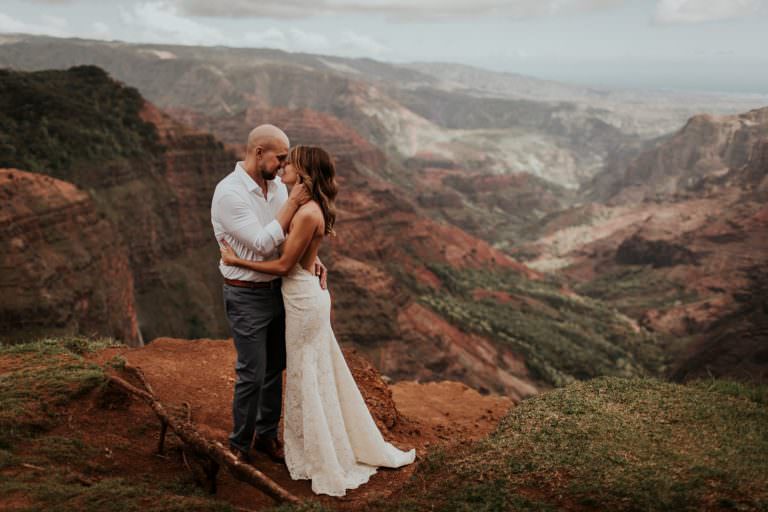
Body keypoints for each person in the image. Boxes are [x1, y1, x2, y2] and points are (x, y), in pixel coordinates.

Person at [219, 145, 415, 496]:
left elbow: (281, 265)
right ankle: (308, 443)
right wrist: (313, 257)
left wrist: (237, 261)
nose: (283, 168)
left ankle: (319, 451)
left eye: (289, 163)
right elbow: (294, 251)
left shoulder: (306, 212)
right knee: (306, 369)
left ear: (304, 174)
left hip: (302, 298)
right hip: (298, 294)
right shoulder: (301, 205)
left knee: (306, 371)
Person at [211, 125, 326, 464]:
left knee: (275, 367)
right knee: (252, 373)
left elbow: (291, 232)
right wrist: (292, 202)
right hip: (246, 294)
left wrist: (312, 255)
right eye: (279, 158)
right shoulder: (229, 194)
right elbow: (262, 245)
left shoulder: (276, 188)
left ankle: (266, 435)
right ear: (258, 152)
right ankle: (239, 446)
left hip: (279, 291)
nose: (283, 165)